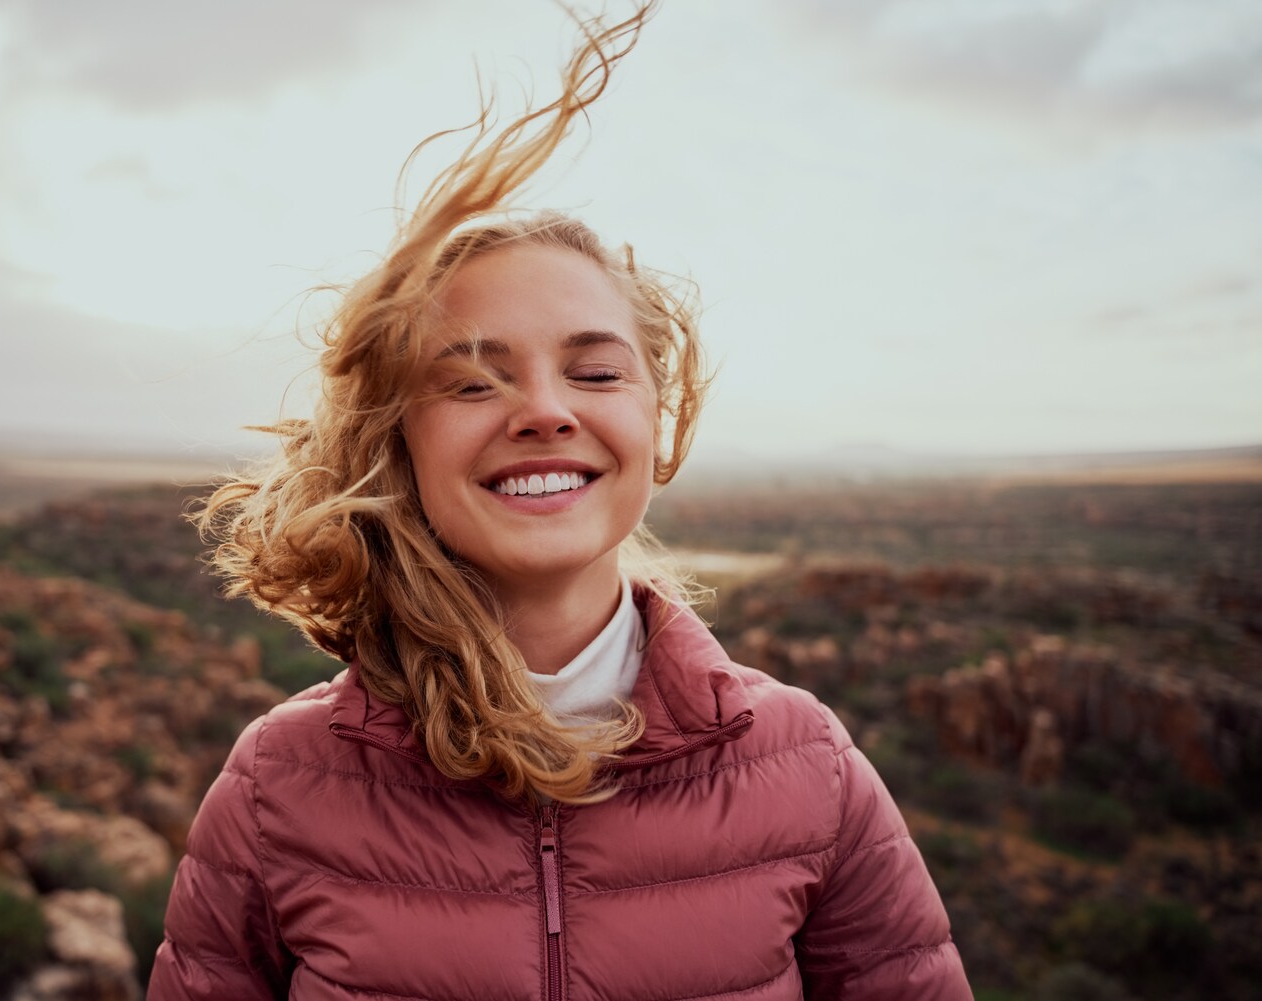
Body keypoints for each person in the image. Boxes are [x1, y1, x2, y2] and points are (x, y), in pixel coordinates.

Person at [149, 5, 972, 999]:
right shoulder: (281, 784)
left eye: (593, 371)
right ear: (395, 438)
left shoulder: (807, 767)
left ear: (656, 419)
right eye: (471, 379)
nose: (543, 410)